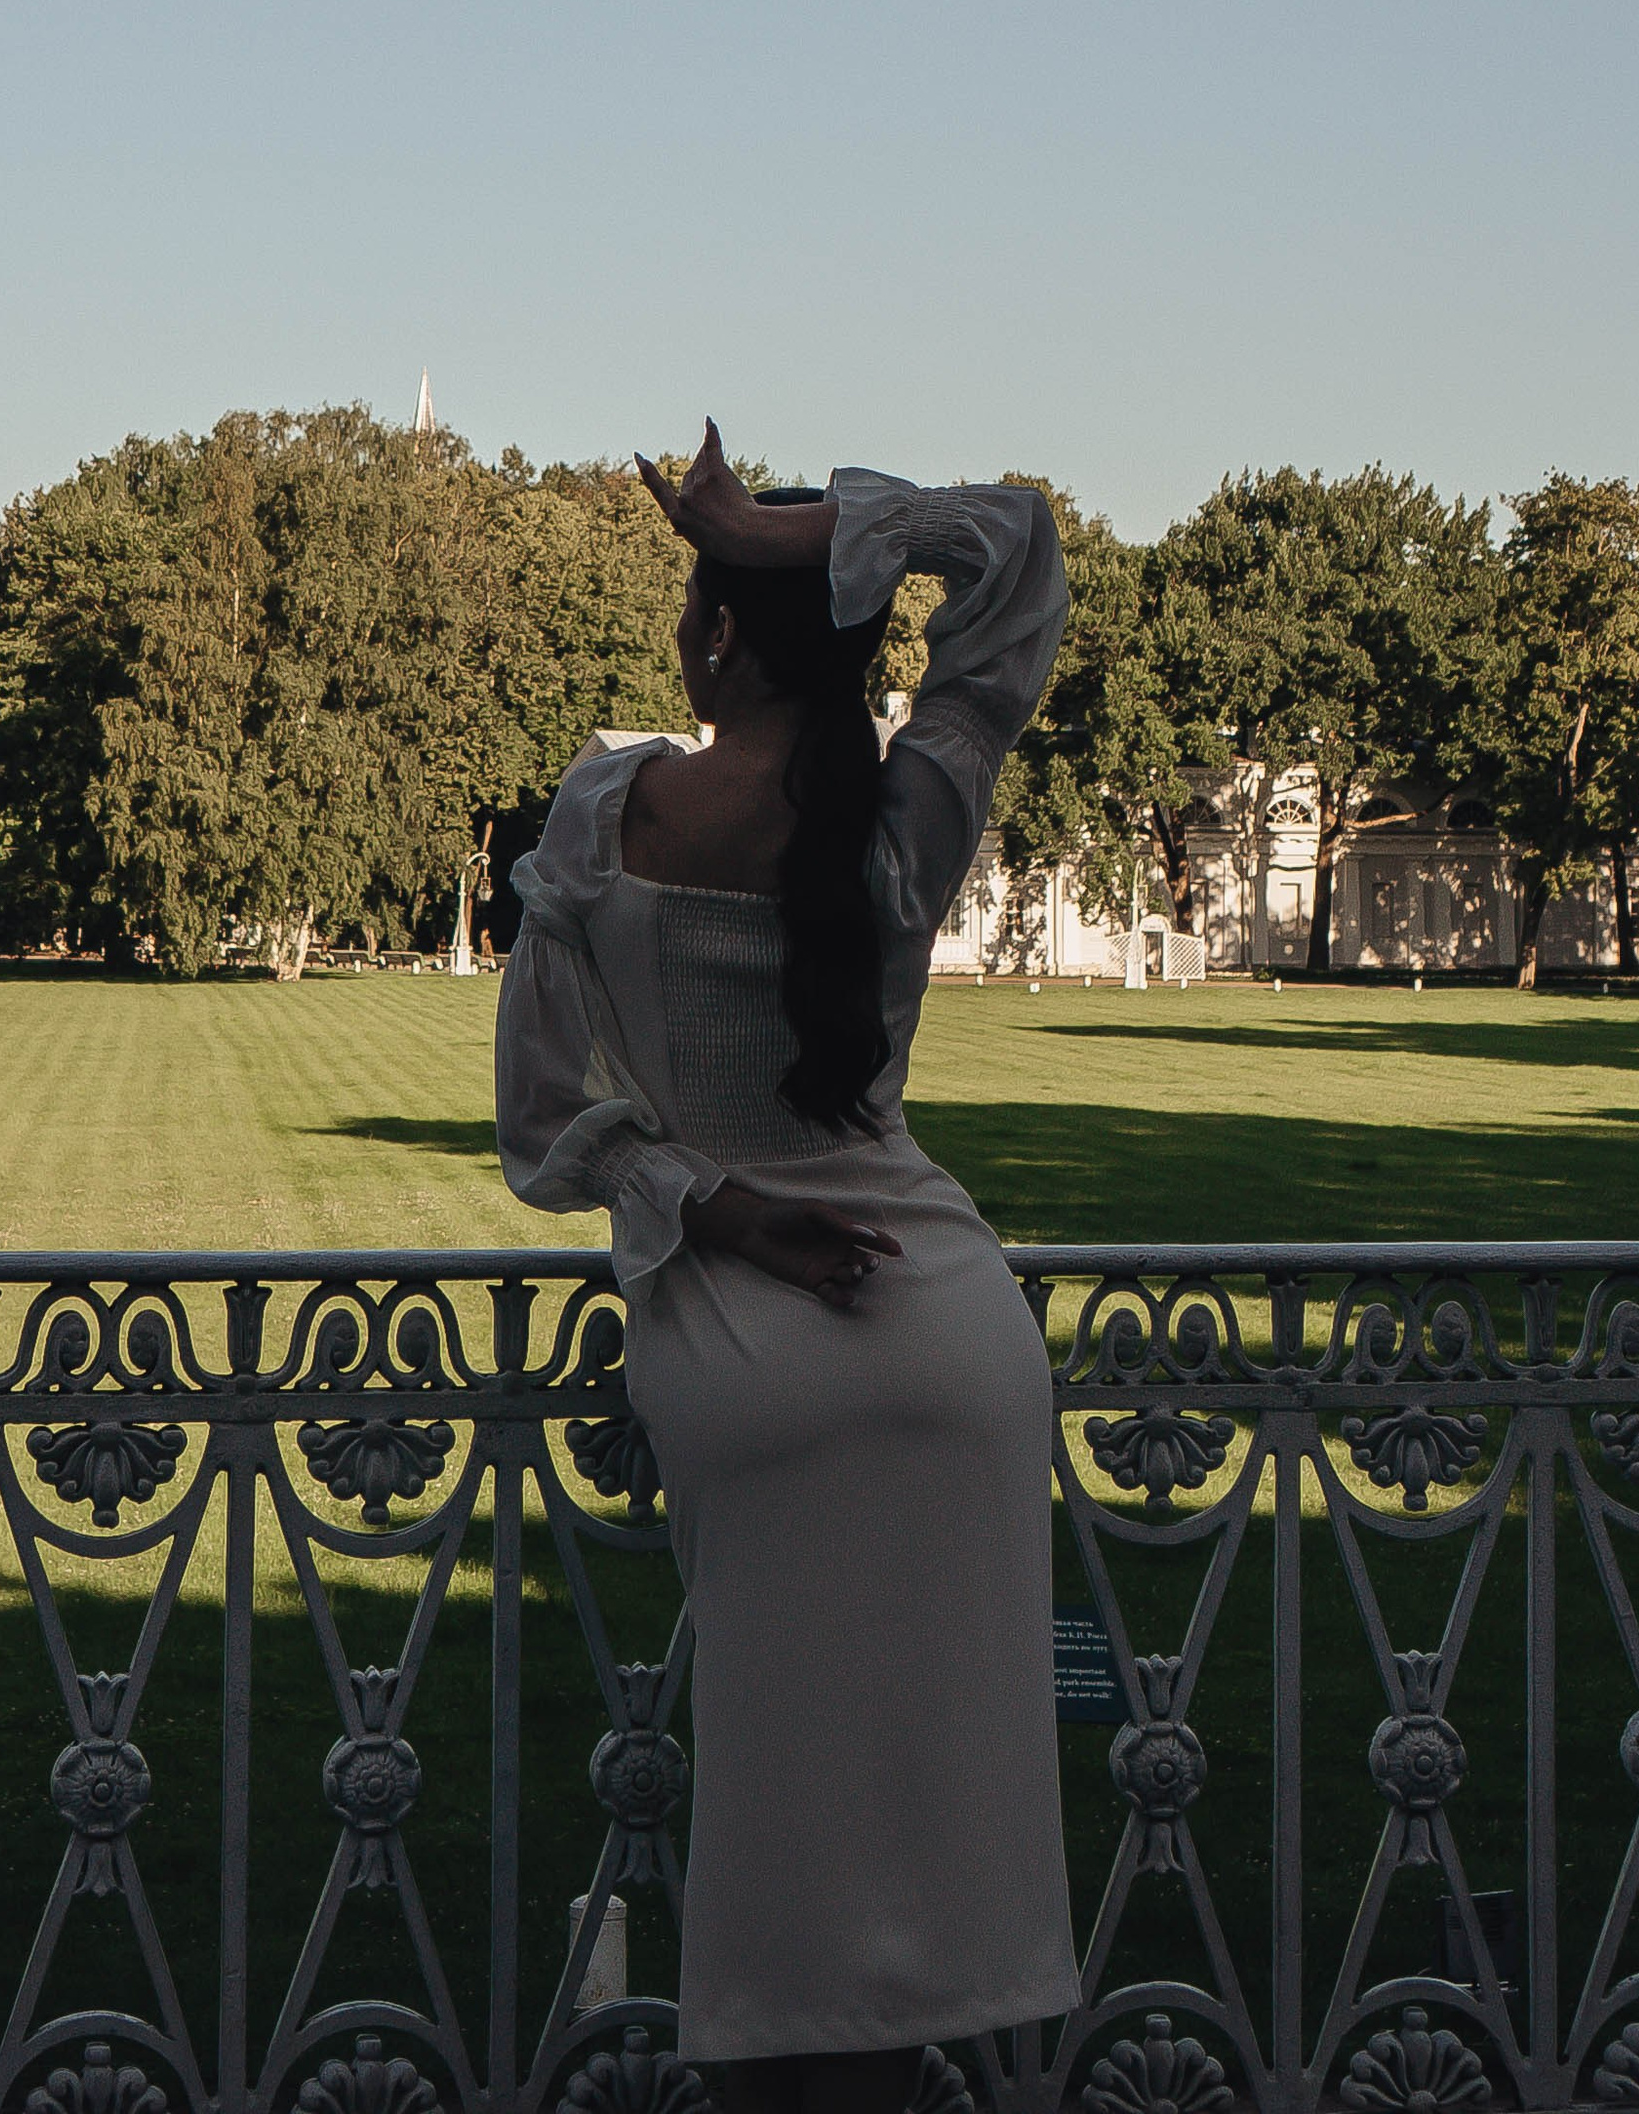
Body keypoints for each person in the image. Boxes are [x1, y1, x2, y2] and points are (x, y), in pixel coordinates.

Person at [493, 426, 1076, 2114]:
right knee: (917, 1836)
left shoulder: (610, 812)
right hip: (949, 1333)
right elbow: (1019, 549)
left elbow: (547, 1125)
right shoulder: (909, 808)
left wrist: (719, 1209)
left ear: (716, 640)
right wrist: (805, 526)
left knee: (788, 1840)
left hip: (748, 1337)